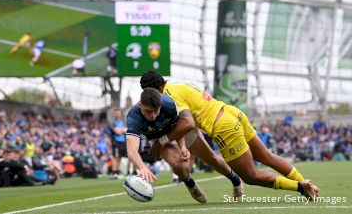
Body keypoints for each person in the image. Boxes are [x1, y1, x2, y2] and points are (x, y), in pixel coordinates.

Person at [140, 70, 320, 201]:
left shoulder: (170, 94)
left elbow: (188, 123)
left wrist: (162, 141)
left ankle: (300, 187)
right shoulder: (181, 83)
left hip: (223, 127)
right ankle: (305, 183)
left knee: (250, 176)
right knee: (265, 156)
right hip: (230, 112)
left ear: (153, 90)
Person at [126, 88, 207, 203]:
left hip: (171, 133)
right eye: (148, 111)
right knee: (178, 164)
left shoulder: (169, 104)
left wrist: (183, 146)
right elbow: (131, 150)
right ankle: (190, 183)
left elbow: (178, 129)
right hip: (155, 138)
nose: (153, 115)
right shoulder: (134, 116)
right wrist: (142, 168)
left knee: (184, 163)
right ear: (140, 105)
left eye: (156, 111)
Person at [110, 108, 128, 179]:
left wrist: (122, 130)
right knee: (115, 157)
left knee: (120, 157)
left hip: (123, 141)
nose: (117, 114)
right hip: (116, 142)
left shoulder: (123, 122)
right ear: (114, 114)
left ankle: (117, 172)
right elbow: (118, 132)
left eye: (118, 113)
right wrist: (122, 130)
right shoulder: (112, 123)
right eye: (116, 113)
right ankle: (114, 173)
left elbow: (126, 130)